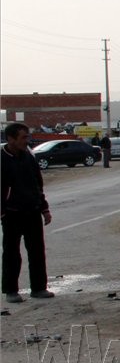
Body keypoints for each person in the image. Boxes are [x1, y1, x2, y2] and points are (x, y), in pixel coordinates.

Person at [2, 123, 55, 303]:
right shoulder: (2, 159)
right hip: (11, 214)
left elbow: (37, 184)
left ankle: (39, 288)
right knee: (11, 253)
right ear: (11, 139)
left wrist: (44, 209)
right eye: (23, 137)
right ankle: (11, 291)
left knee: (37, 251)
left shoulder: (28, 157)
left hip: (32, 211)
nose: (27, 141)